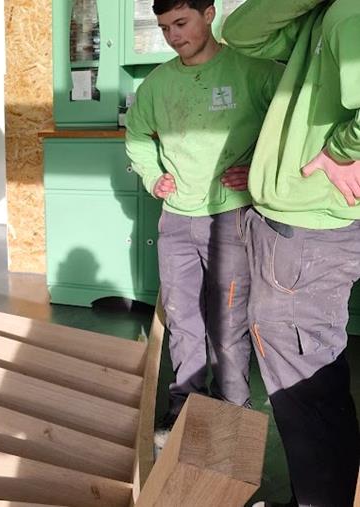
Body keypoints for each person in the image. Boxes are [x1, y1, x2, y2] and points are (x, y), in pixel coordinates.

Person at [125, 0, 283, 441]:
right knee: (183, 317)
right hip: (176, 221)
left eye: (181, 23)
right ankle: (185, 404)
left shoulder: (256, 70)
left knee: (229, 321)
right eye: (164, 28)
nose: (174, 36)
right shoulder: (157, 85)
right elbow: (137, 136)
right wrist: (154, 175)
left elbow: (289, 126)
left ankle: (235, 409)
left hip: (232, 216)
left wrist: (257, 173)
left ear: (209, 14)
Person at [223, 1, 360, 504]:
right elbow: (240, 32)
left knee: (306, 391)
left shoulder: (348, 14)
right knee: (306, 386)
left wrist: (344, 148)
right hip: (293, 231)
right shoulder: (322, 15)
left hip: (309, 234)